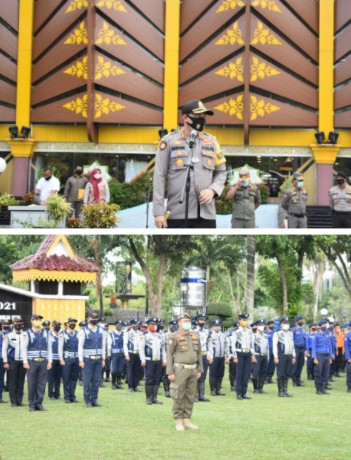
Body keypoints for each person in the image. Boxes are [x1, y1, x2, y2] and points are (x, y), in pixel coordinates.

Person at [153, 99, 227, 229]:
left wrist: (212, 190)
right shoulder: (168, 141)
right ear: (185, 117)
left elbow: (221, 172)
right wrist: (158, 212)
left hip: (206, 214)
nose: (201, 119)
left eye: (203, 116)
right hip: (177, 213)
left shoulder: (212, 141)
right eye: (198, 116)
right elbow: (159, 176)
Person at [167, 312, 203, 431]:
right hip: (179, 369)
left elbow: (199, 354)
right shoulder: (174, 336)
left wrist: (200, 369)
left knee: (190, 395)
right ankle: (178, 420)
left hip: (193, 370)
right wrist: (170, 372)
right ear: (179, 323)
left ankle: (186, 419)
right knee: (178, 395)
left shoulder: (195, 336)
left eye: (188, 321)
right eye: (184, 321)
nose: (187, 323)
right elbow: (169, 355)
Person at [21, 314, 52, 411]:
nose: (38, 321)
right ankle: (31, 404)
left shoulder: (46, 333)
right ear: (31, 320)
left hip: (43, 361)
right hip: (32, 362)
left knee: (42, 384)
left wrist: (50, 361)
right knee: (32, 383)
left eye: (39, 319)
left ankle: (39, 404)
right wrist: (25, 361)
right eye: (36, 319)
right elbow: (23, 348)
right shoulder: (27, 333)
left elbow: (49, 348)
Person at [78, 311, 106, 408]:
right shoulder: (84, 331)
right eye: (92, 318)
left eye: (95, 318)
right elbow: (80, 346)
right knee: (87, 380)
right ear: (88, 319)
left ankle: (94, 399)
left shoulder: (101, 330)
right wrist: (81, 360)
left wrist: (103, 358)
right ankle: (87, 401)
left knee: (96, 380)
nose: (94, 320)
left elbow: (103, 345)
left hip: (98, 359)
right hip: (88, 360)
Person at [139, 317, 166, 405]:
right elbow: (141, 349)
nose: (154, 326)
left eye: (155, 325)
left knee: (157, 379)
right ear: (148, 325)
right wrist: (142, 360)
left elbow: (163, 349)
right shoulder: (144, 336)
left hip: (158, 360)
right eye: (152, 325)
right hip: (149, 360)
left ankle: (155, 398)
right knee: (149, 379)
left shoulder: (159, 336)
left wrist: (164, 360)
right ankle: (148, 398)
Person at [2, 317, 26, 407]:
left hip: (23, 361)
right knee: (12, 382)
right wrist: (5, 362)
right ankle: (14, 402)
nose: (18, 323)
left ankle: (19, 401)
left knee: (21, 382)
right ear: (13, 323)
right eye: (16, 322)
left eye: (20, 322)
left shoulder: (25, 334)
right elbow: (4, 349)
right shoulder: (8, 335)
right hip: (12, 361)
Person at [231, 313, 253, 400]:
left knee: (246, 374)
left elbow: (251, 344)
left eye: (246, 320)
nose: (245, 322)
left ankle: (244, 392)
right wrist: (235, 357)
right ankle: (239, 393)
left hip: (248, 354)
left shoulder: (249, 331)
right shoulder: (236, 332)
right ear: (239, 321)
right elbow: (233, 345)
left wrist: (253, 354)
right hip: (240, 353)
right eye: (243, 320)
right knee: (239, 374)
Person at [273, 317, 296, 397]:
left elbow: (292, 345)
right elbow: (275, 346)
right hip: (281, 355)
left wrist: (294, 356)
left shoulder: (290, 333)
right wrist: (276, 357)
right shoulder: (277, 333)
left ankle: (285, 390)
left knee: (287, 373)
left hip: (289, 355)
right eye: (284, 323)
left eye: (287, 323)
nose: (286, 325)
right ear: (281, 324)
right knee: (281, 373)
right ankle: (280, 391)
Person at [58, 317, 79, 403]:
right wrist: (61, 359)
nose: (73, 323)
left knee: (74, 378)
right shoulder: (62, 334)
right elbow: (60, 347)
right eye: (71, 322)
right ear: (67, 324)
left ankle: (72, 396)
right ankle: (67, 397)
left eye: (74, 322)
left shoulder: (78, 333)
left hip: (76, 359)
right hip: (67, 359)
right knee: (66, 378)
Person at [312, 319, 334, 395]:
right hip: (319, 356)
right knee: (319, 373)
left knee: (326, 373)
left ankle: (323, 388)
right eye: (324, 325)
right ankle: (318, 389)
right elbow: (314, 347)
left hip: (327, 356)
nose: (325, 327)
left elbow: (330, 346)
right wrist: (314, 357)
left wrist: (331, 356)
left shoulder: (328, 334)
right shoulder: (317, 335)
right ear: (320, 326)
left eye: (326, 325)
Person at [207, 319, 226, 397]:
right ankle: (213, 390)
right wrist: (210, 357)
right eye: (216, 326)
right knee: (213, 374)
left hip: (222, 357)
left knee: (220, 374)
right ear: (213, 326)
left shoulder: (223, 335)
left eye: (218, 326)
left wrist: (227, 355)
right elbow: (209, 347)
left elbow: (226, 345)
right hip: (214, 357)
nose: (217, 327)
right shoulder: (210, 335)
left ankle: (218, 390)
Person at [123, 318, 142, 392]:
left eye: (137, 324)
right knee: (130, 370)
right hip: (131, 353)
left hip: (139, 354)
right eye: (134, 324)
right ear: (131, 325)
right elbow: (125, 344)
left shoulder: (140, 333)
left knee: (137, 371)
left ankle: (135, 385)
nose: (136, 325)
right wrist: (126, 354)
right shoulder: (127, 333)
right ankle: (130, 386)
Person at [195, 314, 210, 402]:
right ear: (197, 321)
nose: (202, 322)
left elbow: (209, 344)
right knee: (195, 375)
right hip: (196, 355)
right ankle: (195, 395)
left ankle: (201, 395)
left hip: (204, 355)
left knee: (203, 375)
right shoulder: (192, 331)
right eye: (200, 320)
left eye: (204, 320)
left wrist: (210, 355)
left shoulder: (207, 332)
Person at [251, 319, 269, 394]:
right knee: (256, 373)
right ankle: (256, 388)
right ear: (257, 326)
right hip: (257, 355)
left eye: (263, 325)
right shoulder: (254, 335)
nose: (262, 327)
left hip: (264, 355)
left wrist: (268, 357)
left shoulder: (265, 335)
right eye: (260, 325)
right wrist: (253, 355)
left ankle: (261, 388)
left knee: (263, 373)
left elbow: (267, 347)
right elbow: (251, 346)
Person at [108, 320, 125, 390]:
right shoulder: (111, 334)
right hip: (114, 354)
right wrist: (109, 354)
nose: (119, 326)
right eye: (118, 325)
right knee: (114, 370)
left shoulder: (124, 334)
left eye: (120, 325)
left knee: (120, 369)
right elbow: (109, 345)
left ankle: (118, 383)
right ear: (115, 326)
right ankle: (113, 384)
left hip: (122, 354)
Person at [48, 321, 62, 400]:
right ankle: (51, 394)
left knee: (58, 378)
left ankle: (57, 393)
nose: (58, 327)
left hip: (59, 360)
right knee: (51, 378)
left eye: (59, 325)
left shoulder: (61, 335)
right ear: (52, 326)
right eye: (56, 325)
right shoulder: (49, 335)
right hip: (51, 359)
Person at [291, 315, 306, 387]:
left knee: (301, 364)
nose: (302, 321)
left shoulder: (303, 329)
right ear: (296, 321)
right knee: (295, 364)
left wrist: (306, 350)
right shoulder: (293, 330)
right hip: (296, 348)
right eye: (300, 320)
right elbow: (292, 341)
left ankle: (298, 379)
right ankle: (294, 380)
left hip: (302, 348)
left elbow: (305, 340)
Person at [225, 320, 239, 391]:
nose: (236, 328)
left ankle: (237, 384)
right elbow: (227, 348)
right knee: (232, 371)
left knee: (238, 371)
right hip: (232, 356)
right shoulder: (229, 337)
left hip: (239, 355)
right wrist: (227, 358)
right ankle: (232, 385)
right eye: (235, 327)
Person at [344, 322, 351, 393]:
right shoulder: (347, 336)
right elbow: (346, 347)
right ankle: (349, 387)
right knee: (349, 372)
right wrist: (348, 358)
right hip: (349, 354)